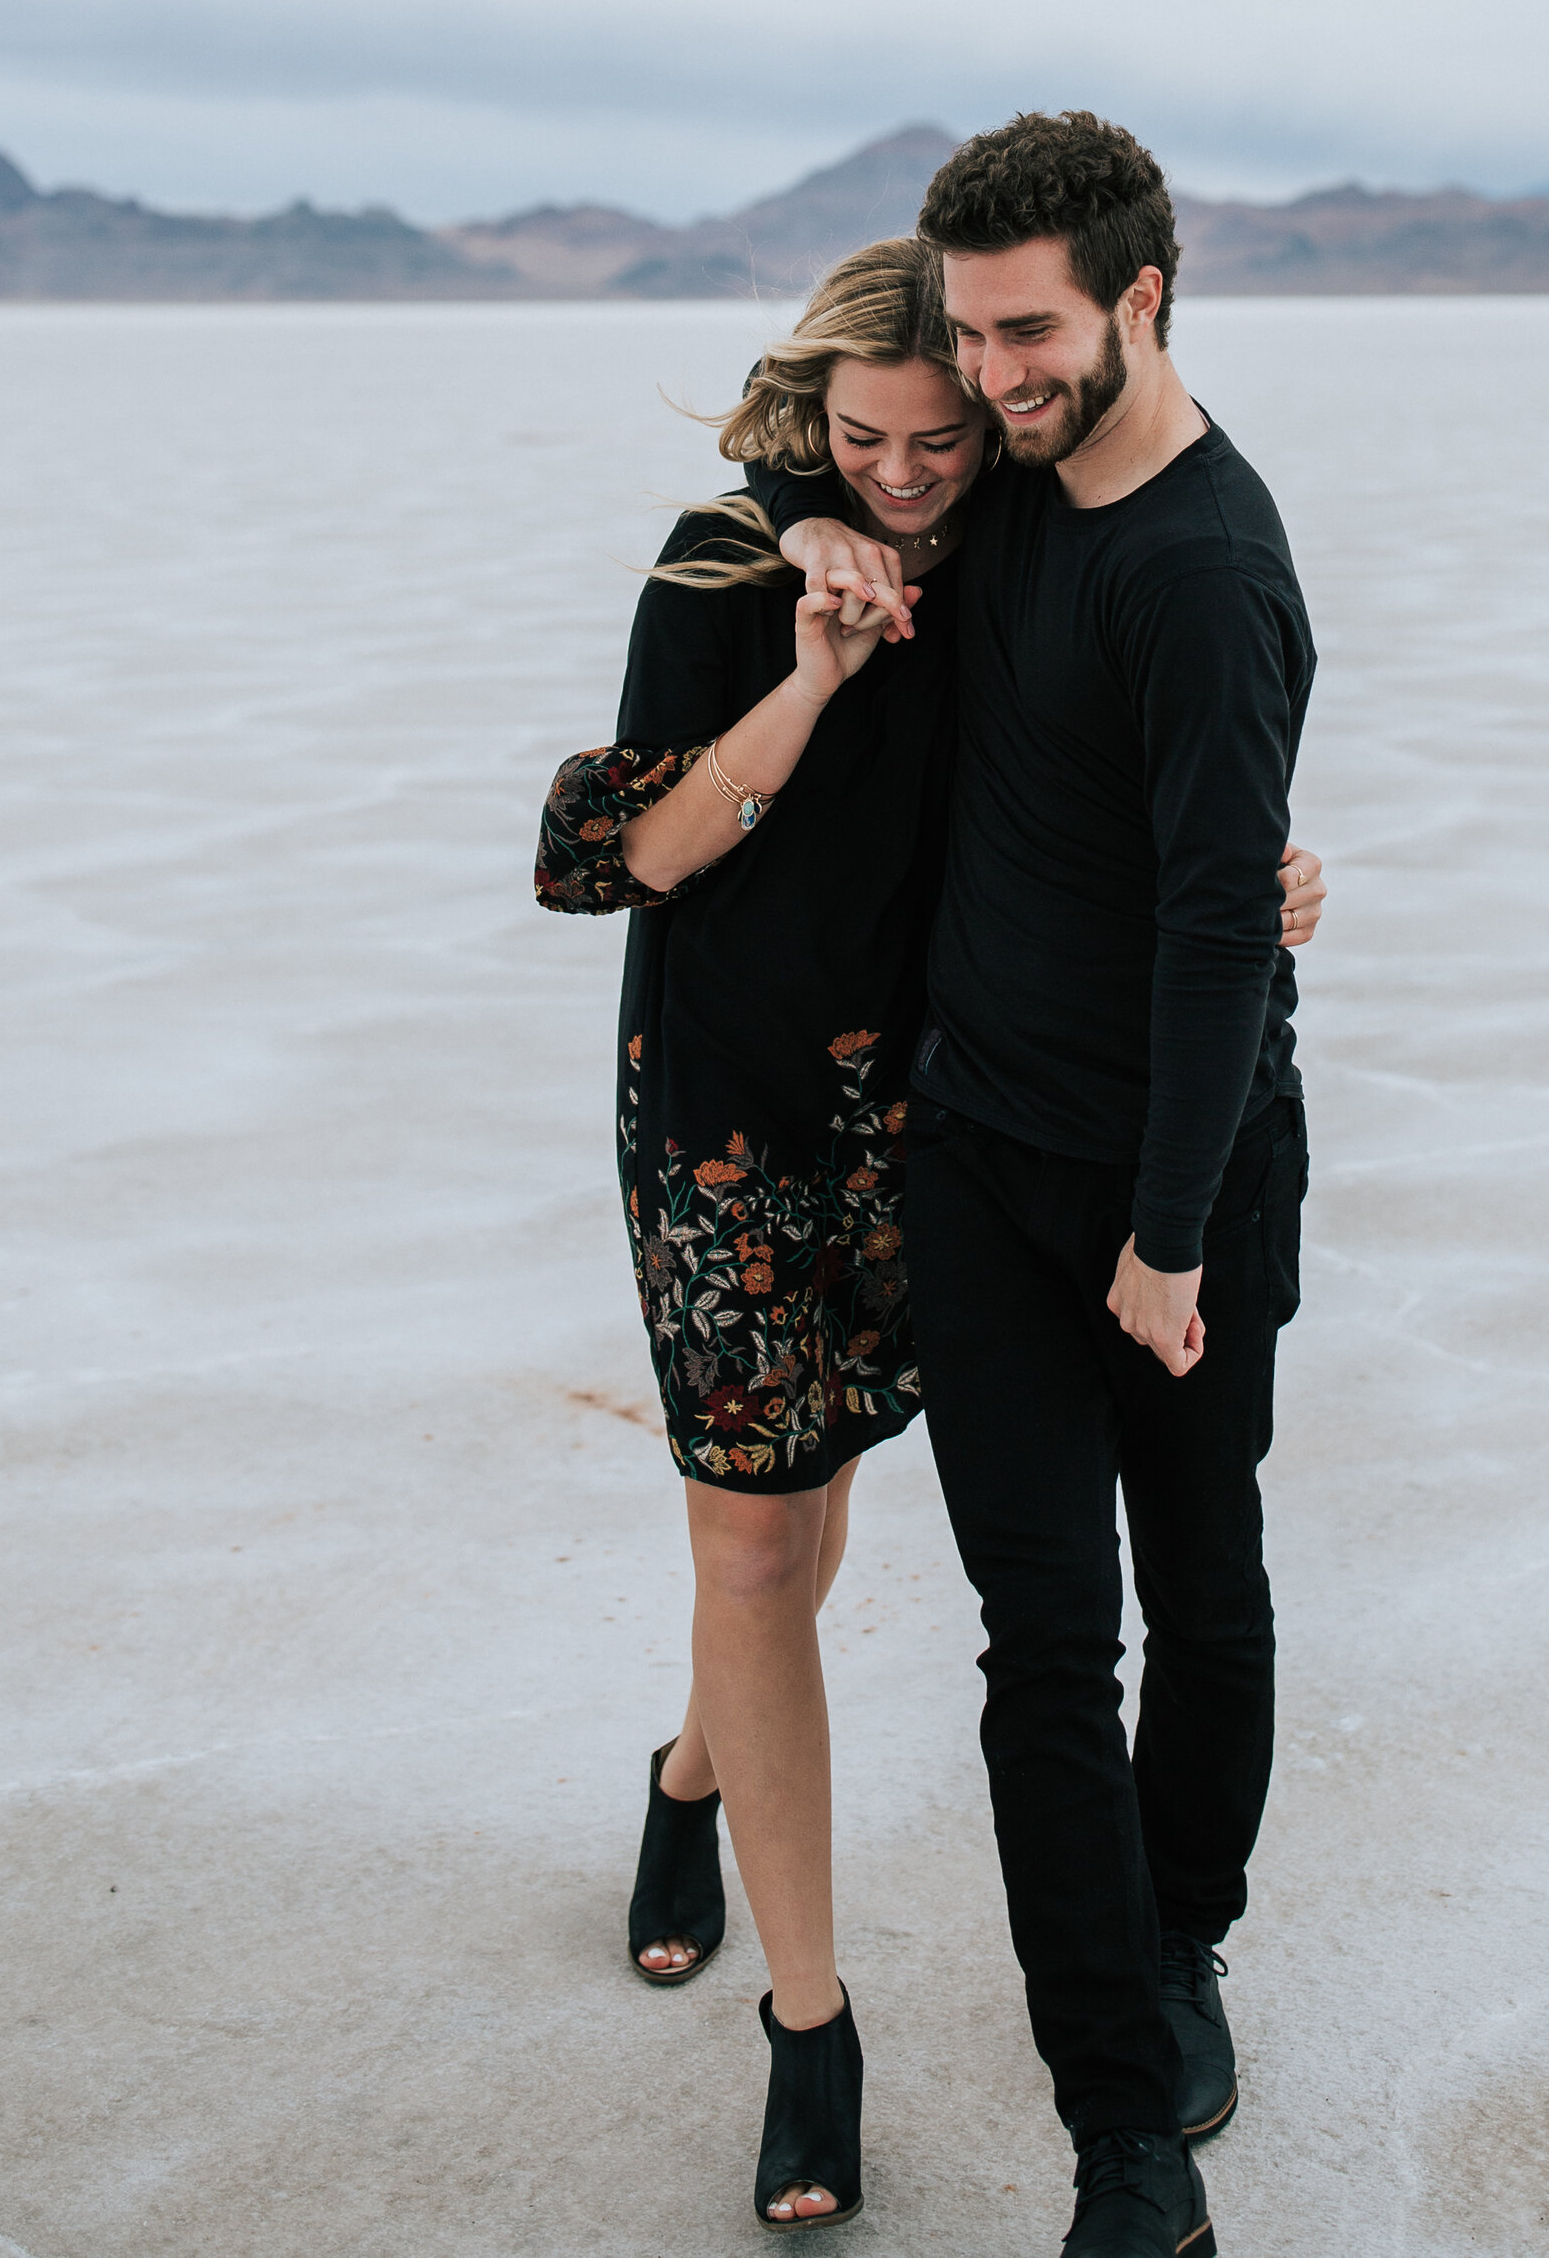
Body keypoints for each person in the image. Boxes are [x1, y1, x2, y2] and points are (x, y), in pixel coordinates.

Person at [537, 231, 1331, 2235]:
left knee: (796, 1539)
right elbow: (631, 855)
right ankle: (811, 2030)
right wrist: (808, 670)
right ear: (815, 411)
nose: (902, 469)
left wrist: (1249, 871)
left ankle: (693, 1774)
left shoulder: (1003, 554)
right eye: (867, 435)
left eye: (936, 434)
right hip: (723, 1118)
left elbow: (1093, 783)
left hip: (924, 1113)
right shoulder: (724, 566)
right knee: (751, 1531)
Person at [766, 114, 1317, 2258]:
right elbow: (853, 474)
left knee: (1202, 1582)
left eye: (1027, 332)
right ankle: (1125, 2145)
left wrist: (1167, 1237)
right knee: (1039, 1650)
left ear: (1140, 299)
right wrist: (822, 516)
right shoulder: (1001, 502)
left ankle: (1182, 1935)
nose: (990, 378)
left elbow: (1209, 924)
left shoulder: (1202, 563)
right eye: (970, 333)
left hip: (1182, 1181)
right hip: (978, 1163)